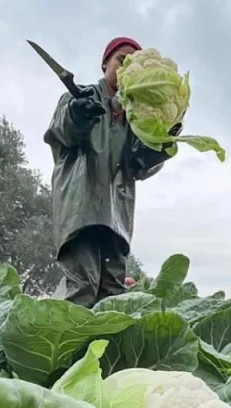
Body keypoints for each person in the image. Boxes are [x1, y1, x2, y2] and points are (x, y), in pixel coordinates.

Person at [44, 36, 181, 308]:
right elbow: (62, 132)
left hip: (118, 216)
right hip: (81, 208)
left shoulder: (136, 122)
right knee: (83, 286)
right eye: (122, 59)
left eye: (133, 62)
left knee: (112, 293)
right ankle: (56, 348)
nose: (126, 65)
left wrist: (164, 139)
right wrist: (76, 114)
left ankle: (104, 351)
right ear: (105, 62)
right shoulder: (77, 98)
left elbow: (140, 166)